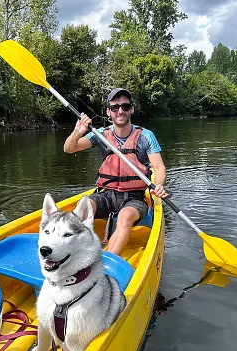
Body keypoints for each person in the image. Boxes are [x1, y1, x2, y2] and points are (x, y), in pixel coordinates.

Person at [63, 88, 167, 256]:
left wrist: (159, 185)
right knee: (82, 208)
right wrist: (77, 132)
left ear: (131, 109)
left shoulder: (145, 136)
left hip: (134, 197)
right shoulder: (101, 135)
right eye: (115, 107)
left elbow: (159, 168)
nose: (120, 111)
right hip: (107, 194)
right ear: (108, 112)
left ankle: (105, 267)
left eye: (125, 106)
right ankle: (68, 256)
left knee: (125, 217)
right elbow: (69, 148)